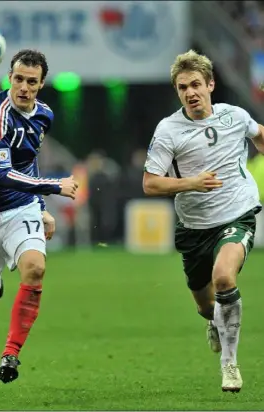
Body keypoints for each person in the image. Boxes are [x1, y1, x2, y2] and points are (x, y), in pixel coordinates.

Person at [143, 49, 264, 393]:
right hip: (194, 227)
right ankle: (213, 321)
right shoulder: (169, 130)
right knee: (205, 303)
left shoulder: (234, 116)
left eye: (196, 84)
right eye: (183, 87)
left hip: (237, 213)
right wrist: (191, 183)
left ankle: (230, 364)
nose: (190, 92)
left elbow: (259, 136)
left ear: (210, 84)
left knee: (224, 277)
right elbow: (150, 183)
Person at [0, 49, 78, 384]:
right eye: (18, 79)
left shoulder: (44, 116)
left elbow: (28, 162)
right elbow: (2, 174)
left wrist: (40, 208)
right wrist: (54, 187)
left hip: (19, 208)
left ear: (41, 85)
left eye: (31, 81)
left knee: (36, 268)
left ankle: (10, 354)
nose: (23, 87)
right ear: (9, 77)